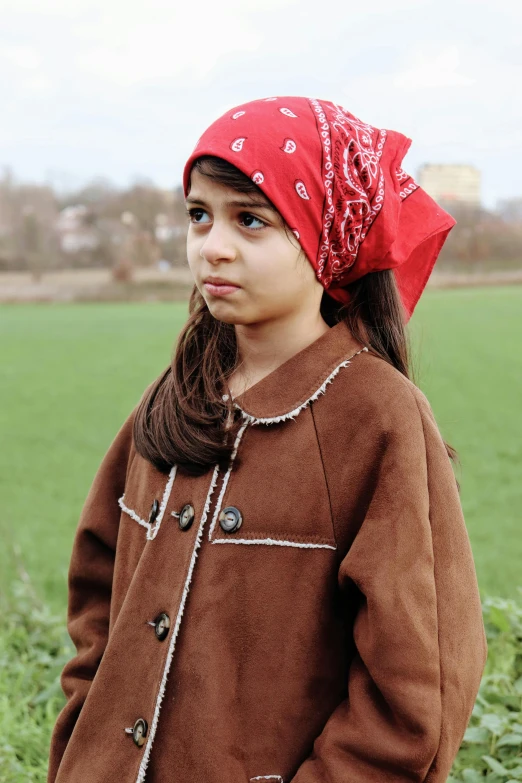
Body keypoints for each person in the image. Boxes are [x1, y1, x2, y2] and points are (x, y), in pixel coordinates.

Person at [47, 96, 488, 783]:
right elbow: (97, 592)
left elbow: (416, 691)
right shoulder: (176, 393)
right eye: (199, 214)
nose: (211, 245)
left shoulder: (378, 417)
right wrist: (87, 738)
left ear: (327, 237)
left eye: (250, 219)